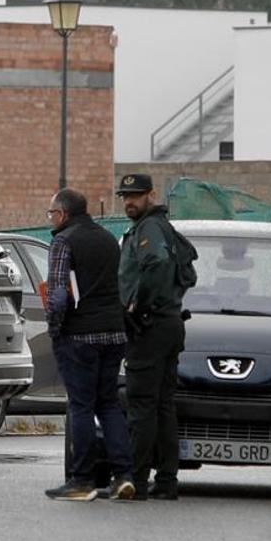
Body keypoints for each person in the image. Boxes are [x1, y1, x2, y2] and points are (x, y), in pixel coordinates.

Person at [42, 189, 135, 502]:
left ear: (64, 214)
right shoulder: (109, 239)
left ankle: (82, 480)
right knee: (108, 403)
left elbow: (57, 295)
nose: (51, 218)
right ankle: (123, 475)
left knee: (80, 405)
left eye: (52, 212)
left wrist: (55, 329)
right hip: (114, 332)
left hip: (80, 335)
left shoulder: (63, 241)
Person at [116, 173, 187, 500]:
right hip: (169, 322)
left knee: (143, 406)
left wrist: (137, 307)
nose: (129, 201)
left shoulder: (149, 228)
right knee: (162, 405)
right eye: (125, 196)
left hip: (152, 324)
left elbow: (156, 264)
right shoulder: (161, 227)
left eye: (135, 195)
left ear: (150, 195)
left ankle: (138, 481)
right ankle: (167, 481)